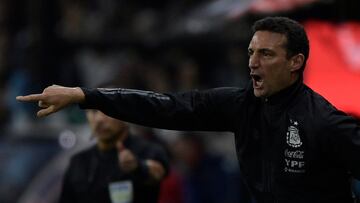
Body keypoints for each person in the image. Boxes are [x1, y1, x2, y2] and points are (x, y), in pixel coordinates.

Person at [17, 16, 360, 203]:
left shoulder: (324, 122)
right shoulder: (240, 106)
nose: (253, 62)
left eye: (266, 55)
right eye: (251, 52)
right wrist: (84, 95)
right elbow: (165, 107)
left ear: (296, 62)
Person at [59, 108, 169, 203]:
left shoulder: (148, 150)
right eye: (93, 111)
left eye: (107, 110)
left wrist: (137, 167)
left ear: (125, 114)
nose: (99, 119)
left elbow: (157, 173)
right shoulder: (79, 162)